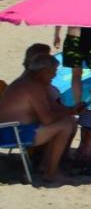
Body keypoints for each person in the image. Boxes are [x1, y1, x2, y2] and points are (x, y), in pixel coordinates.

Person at [0, 52, 77, 182]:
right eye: (53, 71)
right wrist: (67, 113)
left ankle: (45, 166)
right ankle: (51, 172)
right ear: (43, 72)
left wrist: (71, 110)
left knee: (67, 121)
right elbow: (47, 118)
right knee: (65, 125)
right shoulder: (31, 87)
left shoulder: (31, 83)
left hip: (14, 130)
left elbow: (52, 108)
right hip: (13, 133)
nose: (54, 75)